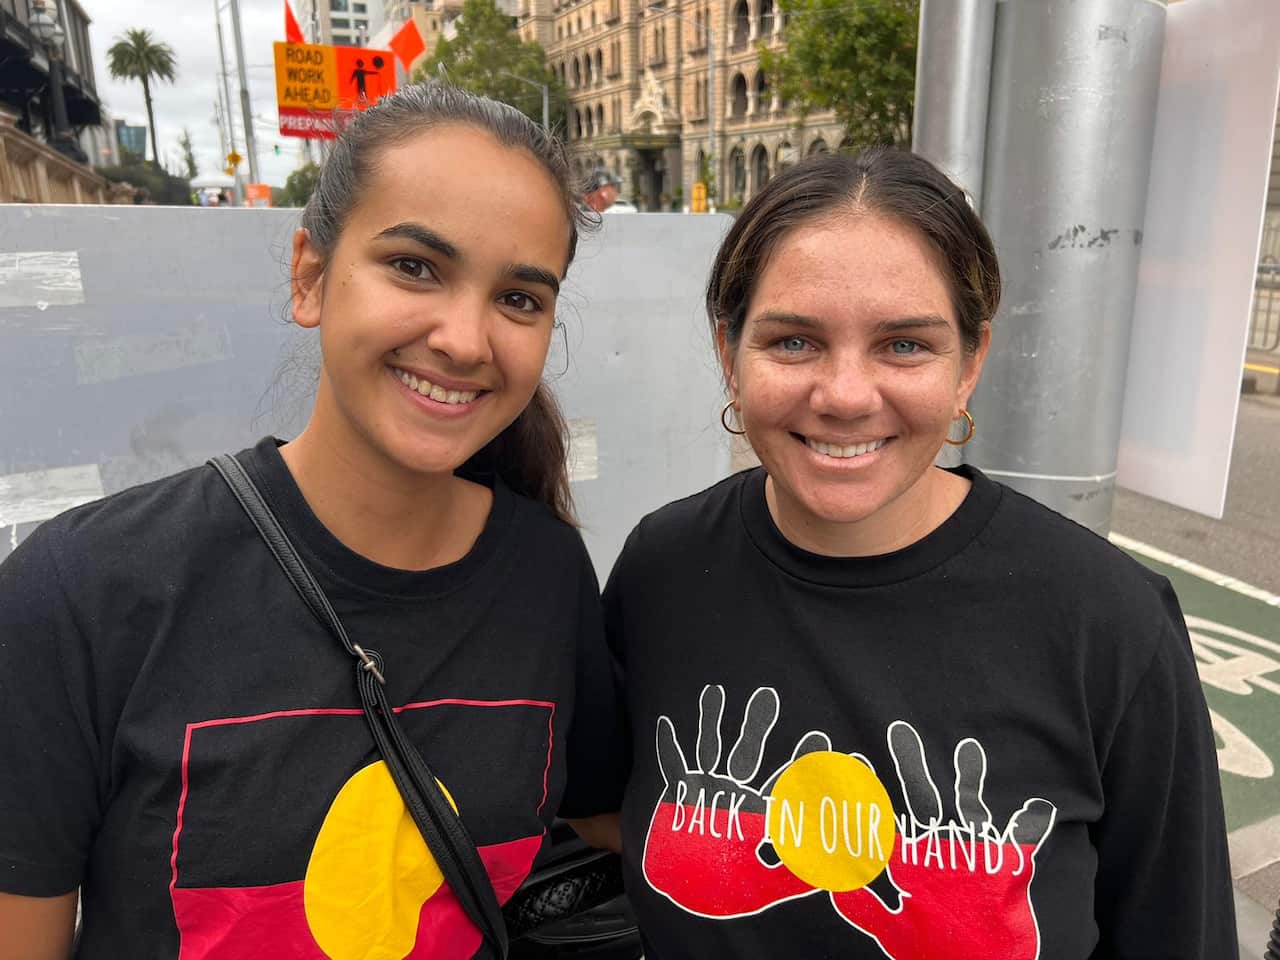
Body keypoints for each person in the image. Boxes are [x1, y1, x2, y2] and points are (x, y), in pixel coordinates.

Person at [0, 83, 624, 960]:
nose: (465, 339)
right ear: (310, 276)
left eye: (519, 298)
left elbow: (623, 822)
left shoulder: (548, 576)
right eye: (415, 266)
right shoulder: (82, 591)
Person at [602, 148, 1236, 959]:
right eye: (793, 342)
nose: (845, 395)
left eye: (904, 346)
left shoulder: (1108, 623)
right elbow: (596, 812)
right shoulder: (662, 568)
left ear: (970, 363)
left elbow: (1182, 931)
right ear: (729, 353)